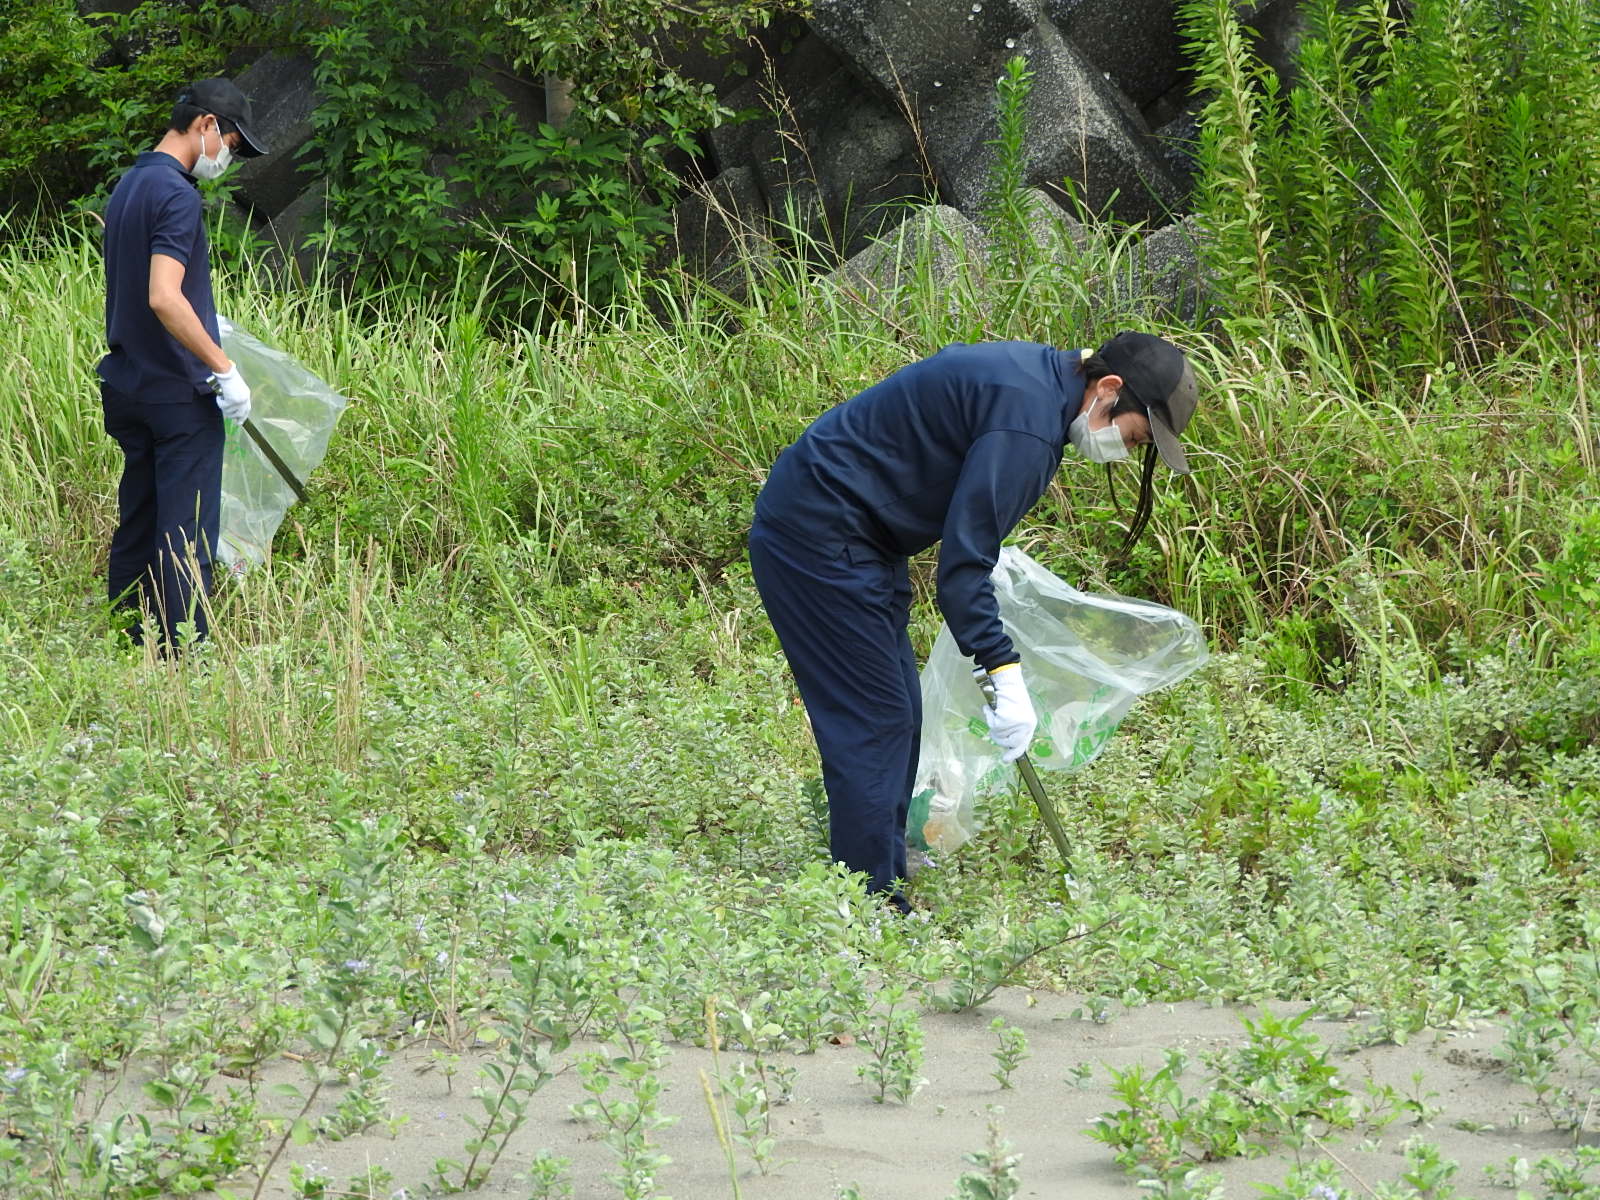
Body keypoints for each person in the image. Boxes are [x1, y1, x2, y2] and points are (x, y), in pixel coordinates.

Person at [749, 332, 1199, 911]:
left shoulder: (1038, 383)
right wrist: (1002, 670)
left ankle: (879, 871)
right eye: (1134, 436)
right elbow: (962, 572)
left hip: (860, 535)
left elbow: (966, 544)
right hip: (818, 535)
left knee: (898, 711)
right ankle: (867, 906)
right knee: (875, 721)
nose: (1125, 450)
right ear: (1109, 388)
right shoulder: (1028, 426)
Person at [97, 78, 271, 649]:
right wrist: (223, 367)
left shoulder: (130, 184)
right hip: (177, 392)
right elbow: (164, 296)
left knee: (141, 518)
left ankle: (128, 641)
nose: (233, 158)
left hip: (129, 383)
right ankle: (183, 662)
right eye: (235, 144)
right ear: (206, 126)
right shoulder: (177, 194)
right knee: (188, 532)